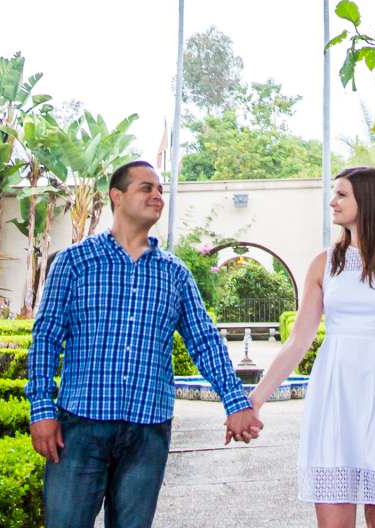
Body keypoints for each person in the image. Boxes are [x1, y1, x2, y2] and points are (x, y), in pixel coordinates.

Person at [27, 159, 263, 528]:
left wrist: (236, 404)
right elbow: (46, 338)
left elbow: (204, 341)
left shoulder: (175, 274)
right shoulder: (75, 263)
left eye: (160, 190)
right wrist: (41, 410)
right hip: (81, 427)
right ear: (117, 197)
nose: (157, 196)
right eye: (146, 188)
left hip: (147, 432)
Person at [250, 165, 375, 525]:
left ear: (367, 201)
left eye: (341, 194)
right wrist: (256, 399)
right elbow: (298, 340)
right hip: (334, 399)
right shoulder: (323, 264)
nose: (332, 201)